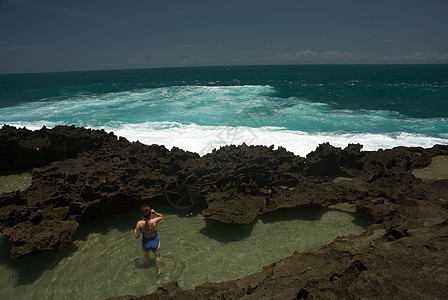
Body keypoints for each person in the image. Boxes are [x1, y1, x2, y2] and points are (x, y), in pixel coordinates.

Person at [135, 205, 163, 271]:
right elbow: (161, 216)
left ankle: (147, 262)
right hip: (155, 242)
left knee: (146, 255)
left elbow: (137, 236)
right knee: (157, 257)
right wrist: (154, 213)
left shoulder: (139, 223)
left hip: (146, 244)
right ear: (150, 213)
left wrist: (136, 229)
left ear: (142, 214)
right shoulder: (154, 221)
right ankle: (159, 269)